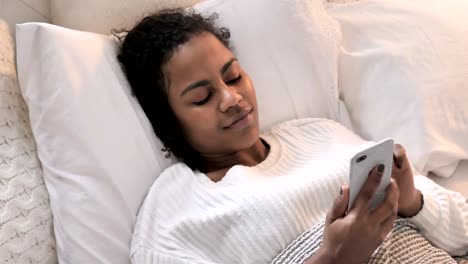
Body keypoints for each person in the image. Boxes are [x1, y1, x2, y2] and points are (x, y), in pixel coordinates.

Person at [117, 9, 468, 264]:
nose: (231, 99)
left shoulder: (321, 134)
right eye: (202, 97)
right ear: (167, 121)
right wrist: (333, 258)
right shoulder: (172, 214)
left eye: (234, 77)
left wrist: (412, 201)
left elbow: (463, 230)